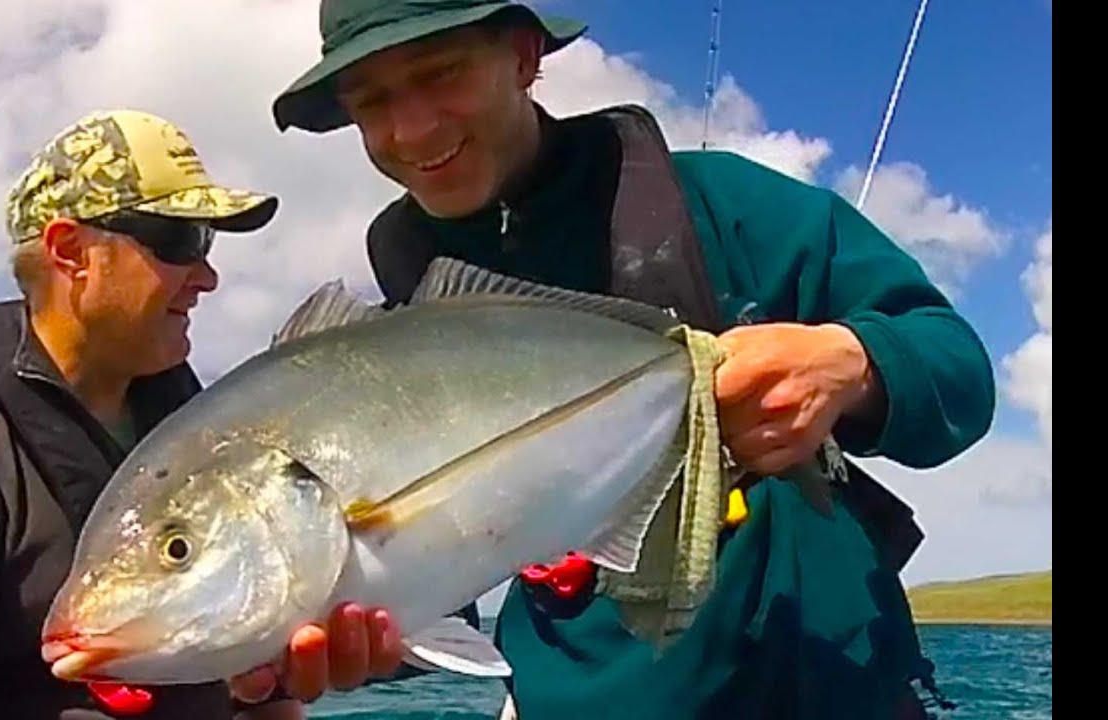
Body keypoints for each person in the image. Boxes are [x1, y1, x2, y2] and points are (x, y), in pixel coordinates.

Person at [270, 2, 995, 719]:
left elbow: (956, 369)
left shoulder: (718, 204)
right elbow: (441, 578)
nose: (413, 128)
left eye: (443, 73)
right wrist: (312, 648)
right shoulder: (406, 308)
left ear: (524, 57)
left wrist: (850, 362)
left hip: (824, 688)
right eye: (371, 101)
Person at [0, 108, 400, 720]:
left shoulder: (202, 433)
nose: (207, 276)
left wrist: (266, 685)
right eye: (179, 241)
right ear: (71, 251)